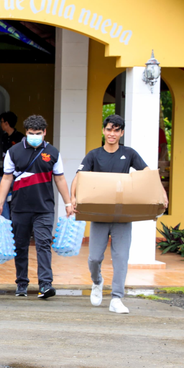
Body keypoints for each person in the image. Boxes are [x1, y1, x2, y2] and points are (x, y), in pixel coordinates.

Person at [70, 114, 168, 314]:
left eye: (116, 130)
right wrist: (72, 198)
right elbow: (79, 177)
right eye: (109, 129)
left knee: (121, 258)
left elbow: (148, 174)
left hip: (122, 216)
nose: (112, 134)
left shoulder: (129, 153)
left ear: (121, 133)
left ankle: (116, 298)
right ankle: (97, 281)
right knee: (94, 258)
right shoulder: (94, 155)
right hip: (99, 215)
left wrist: (162, 193)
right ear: (103, 130)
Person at [0, 115, 74, 299]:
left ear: (44, 132)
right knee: (20, 245)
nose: (35, 136)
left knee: (43, 244)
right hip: (20, 207)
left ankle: (45, 284)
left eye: (38, 133)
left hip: (44, 208)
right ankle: (21, 283)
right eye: (31, 133)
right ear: (26, 132)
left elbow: (60, 178)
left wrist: (68, 203)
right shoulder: (14, 151)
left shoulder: (53, 153)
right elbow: (6, 178)